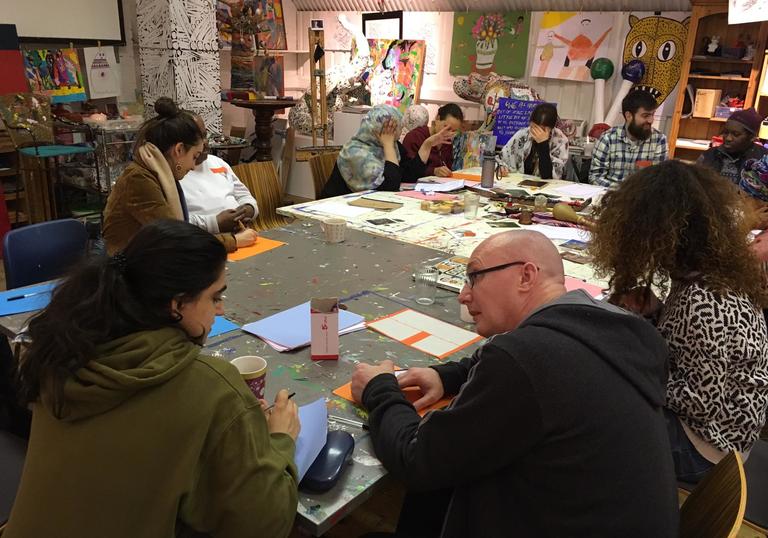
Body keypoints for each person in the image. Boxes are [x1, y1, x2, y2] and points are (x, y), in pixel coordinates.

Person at [350, 230, 679, 538]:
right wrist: (446, 375)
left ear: (526, 276)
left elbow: (416, 458)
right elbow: (529, 366)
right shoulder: (607, 325)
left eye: (474, 277)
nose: (463, 295)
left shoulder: (526, 361)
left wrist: (380, 388)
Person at [3, 220, 300, 538]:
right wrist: (280, 439)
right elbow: (264, 525)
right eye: (214, 298)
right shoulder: (212, 387)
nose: (221, 309)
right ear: (177, 304)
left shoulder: (62, 351)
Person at [589, 160, 768, 483]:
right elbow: (694, 350)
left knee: (593, 411)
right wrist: (657, 312)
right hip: (723, 431)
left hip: (712, 449)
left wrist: (635, 372)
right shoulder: (709, 274)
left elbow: (699, 403)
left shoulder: (703, 298)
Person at [103, 98, 257, 255]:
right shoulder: (139, 180)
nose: (192, 166)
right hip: (130, 270)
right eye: (194, 157)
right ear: (179, 150)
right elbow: (176, 239)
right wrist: (234, 241)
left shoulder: (155, 173)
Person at [319, 105, 453, 199]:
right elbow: (390, 186)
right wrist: (388, 144)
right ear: (378, 130)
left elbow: (410, 175)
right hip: (335, 213)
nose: (400, 131)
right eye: (395, 127)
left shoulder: (392, 146)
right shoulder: (356, 153)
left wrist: (427, 144)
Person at [182, 114, 260, 236]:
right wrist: (215, 223)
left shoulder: (217, 162)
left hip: (242, 233)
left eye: (205, 135)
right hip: (205, 240)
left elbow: (244, 195)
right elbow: (177, 222)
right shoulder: (173, 176)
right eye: (199, 138)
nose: (206, 143)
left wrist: (248, 209)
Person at [589, 89, 668, 187]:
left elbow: (659, 181)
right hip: (612, 195)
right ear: (629, 116)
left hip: (643, 197)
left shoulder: (659, 140)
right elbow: (595, 177)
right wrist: (622, 191)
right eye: (646, 115)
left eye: (652, 114)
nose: (651, 120)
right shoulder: (607, 138)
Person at [498, 102, 569, 179]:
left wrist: (543, 144)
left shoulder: (560, 141)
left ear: (551, 128)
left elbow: (549, 176)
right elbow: (501, 158)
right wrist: (501, 167)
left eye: (542, 129)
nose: (536, 132)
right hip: (517, 182)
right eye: (533, 127)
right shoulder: (523, 134)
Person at [697, 107, 768, 185]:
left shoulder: (763, 160)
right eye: (726, 132)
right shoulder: (708, 155)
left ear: (752, 137)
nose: (728, 138)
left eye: (736, 134)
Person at [402, 103, 463, 177]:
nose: (449, 133)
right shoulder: (415, 137)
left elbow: (448, 166)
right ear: (437, 118)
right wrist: (433, 171)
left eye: (454, 131)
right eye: (447, 128)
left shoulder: (447, 143)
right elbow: (407, 170)